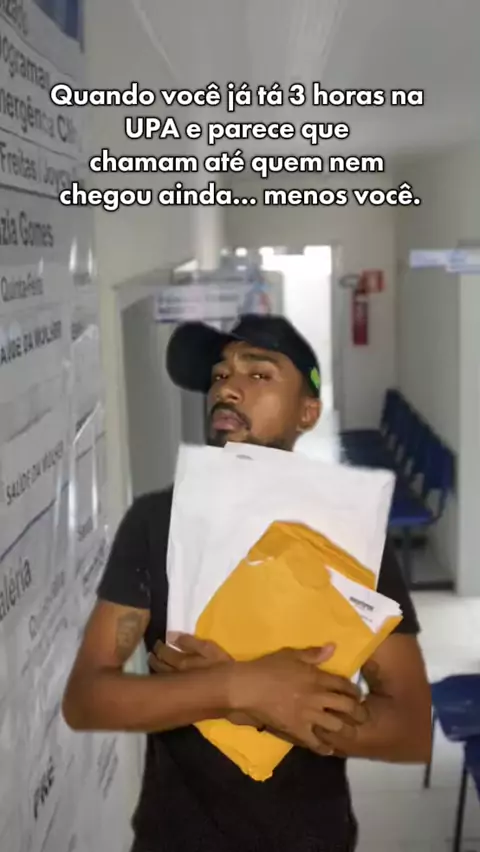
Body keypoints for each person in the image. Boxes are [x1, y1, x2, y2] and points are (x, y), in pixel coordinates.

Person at [62, 314, 431, 852]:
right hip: (174, 838)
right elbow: (87, 699)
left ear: (307, 412)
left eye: (259, 374)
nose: (227, 388)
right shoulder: (157, 522)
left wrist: (278, 710)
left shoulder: (349, 534)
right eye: (219, 375)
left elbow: (409, 727)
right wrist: (237, 690)